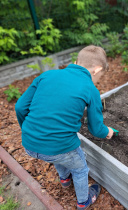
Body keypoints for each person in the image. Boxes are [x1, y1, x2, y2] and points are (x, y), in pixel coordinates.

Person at [15, 45, 114, 210]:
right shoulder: (90, 89)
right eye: (100, 76)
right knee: (80, 168)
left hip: (29, 144)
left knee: (57, 154)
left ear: (76, 62)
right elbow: (96, 129)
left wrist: (28, 130)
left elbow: (20, 107)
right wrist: (108, 132)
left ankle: (64, 179)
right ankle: (84, 201)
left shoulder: (47, 75)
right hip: (59, 147)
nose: (97, 80)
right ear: (96, 70)